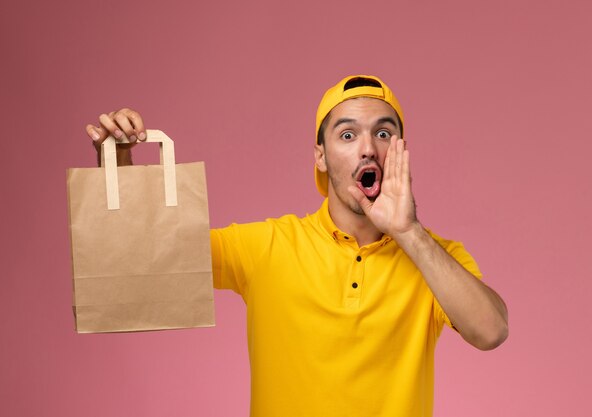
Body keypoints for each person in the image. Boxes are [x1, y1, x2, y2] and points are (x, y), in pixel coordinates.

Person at [85, 75, 508, 417]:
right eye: (347, 135)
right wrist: (121, 167)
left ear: (400, 151)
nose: (367, 148)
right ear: (320, 157)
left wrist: (409, 232)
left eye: (383, 133)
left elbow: (491, 331)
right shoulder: (267, 246)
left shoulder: (434, 257)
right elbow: (141, 260)